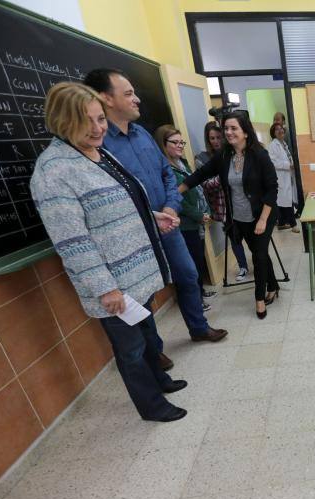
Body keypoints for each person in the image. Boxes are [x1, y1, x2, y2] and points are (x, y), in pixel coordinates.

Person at [31, 82, 187, 422]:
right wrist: (106, 289)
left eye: (101, 119)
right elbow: (72, 242)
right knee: (130, 350)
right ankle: (152, 406)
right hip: (114, 284)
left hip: (136, 274)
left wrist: (152, 215)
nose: (99, 128)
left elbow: (125, 198)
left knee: (147, 333)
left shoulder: (99, 152)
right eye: (88, 121)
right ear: (62, 120)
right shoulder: (54, 171)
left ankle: (160, 380)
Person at [84, 68, 227, 344]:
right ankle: (154, 350)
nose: (136, 99)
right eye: (128, 94)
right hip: (134, 233)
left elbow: (166, 173)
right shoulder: (99, 144)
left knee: (188, 274)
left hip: (168, 225)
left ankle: (198, 328)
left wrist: (172, 206)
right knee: (142, 293)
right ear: (106, 98)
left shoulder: (142, 134)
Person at [181, 111, 280, 320]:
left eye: (233, 128)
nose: (228, 132)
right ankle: (273, 285)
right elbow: (201, 174)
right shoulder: (224, 156)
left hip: (262, 214)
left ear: (245, 131)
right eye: (226, 128)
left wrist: (262, 220)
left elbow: (272, 189)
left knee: (259, 255)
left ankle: (259, 298)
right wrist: (176, 191)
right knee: (258, 252)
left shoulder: (259, 155)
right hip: (238, 216)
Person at [155, 125, 215, 312]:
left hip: (197, 221)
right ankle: (195, 299)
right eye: (176, 142)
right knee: (190, 263)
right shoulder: (166, 171)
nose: (180, 146)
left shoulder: (183, 163)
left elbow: (195, 188)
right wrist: (198, 215)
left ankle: (200, 291)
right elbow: (175, 199)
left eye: (182, 142)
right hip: (185, 224)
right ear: (163, 144)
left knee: (198, 259)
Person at [196, 121, 250, 282]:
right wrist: (224, 177)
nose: (216, 141)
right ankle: (243, 266)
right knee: (234, 238)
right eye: (212, 138)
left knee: (251, 235)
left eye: (219, 137)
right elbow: (204, 184)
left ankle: (259, 262)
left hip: (241, 202)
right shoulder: (202, 158)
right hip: (221, 206)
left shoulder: (233, 153)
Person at [269, 123, 299, 233]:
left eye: (281, 129)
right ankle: (293, 224)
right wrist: (288, 165)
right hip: (281, 176)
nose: (280, 131)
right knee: (287, 202)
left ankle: (281, 223)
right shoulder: (273, 145)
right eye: (277, 129)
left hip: (287, 175)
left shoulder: (283, 143)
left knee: (283, 202)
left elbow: (288, 157)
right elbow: (273, 162)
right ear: (273, 133)